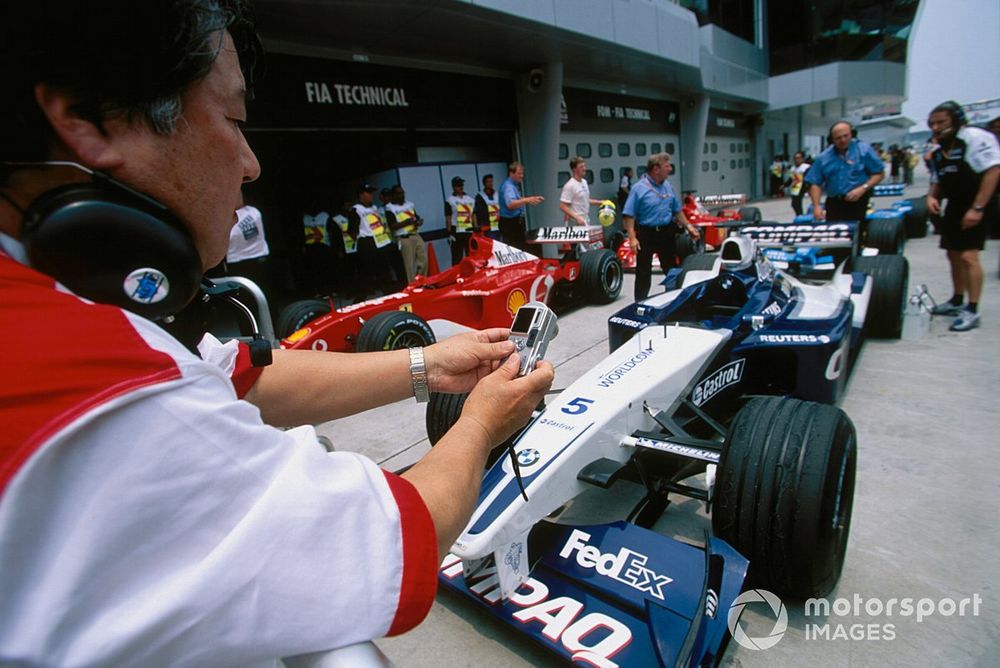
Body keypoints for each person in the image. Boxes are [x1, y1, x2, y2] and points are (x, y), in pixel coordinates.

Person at [0, 4, 554, 664]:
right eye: (234, 121)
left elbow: (238, 369)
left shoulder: (56, 305)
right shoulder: (93, 390)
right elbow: (400, 539)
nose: (252, 163)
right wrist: (484, 420)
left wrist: (430, 363)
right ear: (89, 118)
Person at [925, 101, 1000, 332]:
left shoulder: (974, 138)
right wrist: (931, 197)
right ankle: (957, 299)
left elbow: (993, 170)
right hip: (955, 205)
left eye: (941, 122)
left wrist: (977, 208)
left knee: (969, 257)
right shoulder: (939, 150)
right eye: (932, 123)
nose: (936, 127)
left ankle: (972, 308)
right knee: (953, 254)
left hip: (976, 203)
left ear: (956, 120)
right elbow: (937, 179)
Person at [622, 153, 699, 302]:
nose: (670, 169)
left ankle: (675, 300)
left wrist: (689, 226)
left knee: (672, 269)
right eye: (667, 166)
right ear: (656, 169)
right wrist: (632, 238)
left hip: (666, 233)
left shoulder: (668, 186)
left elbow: (677, 210)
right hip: (646, 234)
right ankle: (640, 304)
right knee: (643, 272)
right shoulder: (639, 188)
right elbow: (629, 215)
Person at [805, 121, 885, 223]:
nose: (842, 140)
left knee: (856, 232)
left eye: (845, 136)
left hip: (858, 200)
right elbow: (815, 182)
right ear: (832, 139)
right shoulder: (823, 157)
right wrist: (816, 206)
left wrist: (863, 188)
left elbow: (879, 174)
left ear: (852, 134)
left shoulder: (864, 150)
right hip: (834, 202)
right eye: (838, 138)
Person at [225, 203, 271, 299]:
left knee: (262, 292)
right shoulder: (252, 211)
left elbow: (230, 237)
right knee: (247, 294)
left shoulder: (252, 211)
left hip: (255, 257)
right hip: (240, 261)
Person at [385, 184, 428, 282]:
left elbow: (416, 217)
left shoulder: (410, 204)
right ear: (394, 195)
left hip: (415, 234)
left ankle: (421, 280)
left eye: (403, 193)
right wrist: (406, 222)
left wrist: (418, 221)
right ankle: (412, 286)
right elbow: (392, 226)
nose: (402, 195)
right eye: (399, 193)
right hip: (404, 237)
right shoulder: (390, 207)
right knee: (409, 264)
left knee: (424, 260)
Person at [498, 161, 544, 251]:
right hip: (510, 224)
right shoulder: (508, 187)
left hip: (514, 222)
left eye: (522, 173)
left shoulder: (512, 185)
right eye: (519, 174)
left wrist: (531, 199)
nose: (522, 176)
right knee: (516, 249)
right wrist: (528, 200)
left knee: (522, 247)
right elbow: (510, 204)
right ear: (511, 173)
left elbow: (517, 199)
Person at [559, 156, 602, 226]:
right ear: (574, 169)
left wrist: (600, 202)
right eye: (581, 167)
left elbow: (584, 199)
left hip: (585, 218)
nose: (584, 169)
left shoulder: (584, 182)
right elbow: (562, 206)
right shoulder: (570, 185)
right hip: (575, 221)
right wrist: (577, 218)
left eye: (584, 166)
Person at [444, 176, 476, 266]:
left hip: (469, 230)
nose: (461, 187)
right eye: (458, 185)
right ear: (453, 187)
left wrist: (475, 227)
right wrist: (449, 232)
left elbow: (474, 214)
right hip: (456, 231)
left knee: (471, 256)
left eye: (462, 185)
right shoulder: (450, 200)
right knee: (457, 257)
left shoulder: (470, 199)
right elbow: (448, 217)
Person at [474, 173, 501, 239]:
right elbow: (475, 212)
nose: (490, 183)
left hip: (498, 225)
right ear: (484, 183)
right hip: (487, 227)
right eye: (488, 182)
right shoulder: (480, 196)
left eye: (491, 181)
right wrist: (476, 226)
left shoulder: (497, 194)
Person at [786, 151, 811, 217]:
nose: (797, 160)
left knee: (797, 202)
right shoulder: (793, 168)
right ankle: (799, 214)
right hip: (795, 187)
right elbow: (791, 178)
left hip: (803, 186)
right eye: (795, 158)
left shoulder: (806, 167)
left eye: (799, 158)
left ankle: (800, 215)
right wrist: (785, 185)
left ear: (802, 159)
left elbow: (808, 177)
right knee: (794, 203)